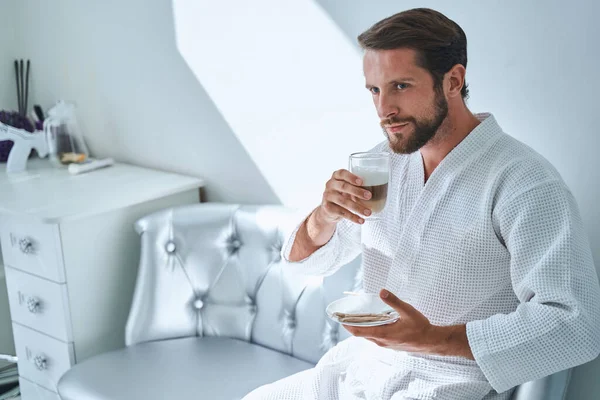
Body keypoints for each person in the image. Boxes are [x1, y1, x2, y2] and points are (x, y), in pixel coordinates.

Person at [243, 7, 600, 400]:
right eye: (375, 90)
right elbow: (303, 264)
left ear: (453, 80)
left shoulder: (524, 183)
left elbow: (575, 324)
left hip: (447, 387)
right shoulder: (383, 165)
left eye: (400, 86)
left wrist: (432, 338)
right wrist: (324, 217)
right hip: (356, 372)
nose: (383, 110)